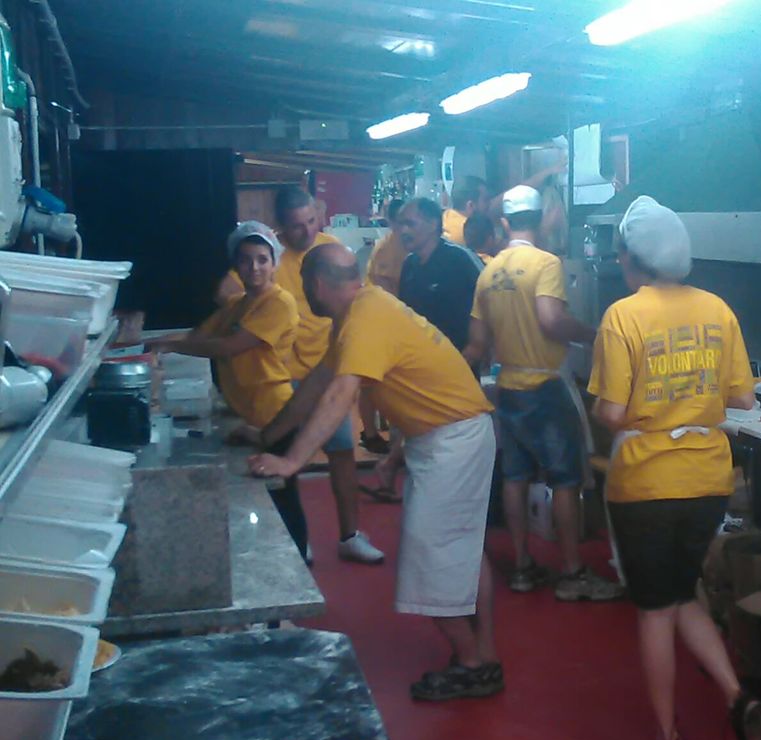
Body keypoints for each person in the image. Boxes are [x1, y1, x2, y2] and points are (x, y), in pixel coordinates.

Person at [248, 243, 503, 702]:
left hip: (453, 440)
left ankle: (472, 664)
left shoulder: (365, 317)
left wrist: (291, 461)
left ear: (317, 284)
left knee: (432, 554)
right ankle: (483, 654)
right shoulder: (359, 313)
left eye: (305, 283)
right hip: (451, 435)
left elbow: (340, 394)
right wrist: (268, 437)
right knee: (462, 550)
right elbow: (318, 385)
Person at [587, 196, 761, 740]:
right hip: (708, 479)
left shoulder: (623, 316)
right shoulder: (717, 309)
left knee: (653, 609)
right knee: (680, 590)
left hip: (646, 483)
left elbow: (610, 412)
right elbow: (743, 397)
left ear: (632, 257)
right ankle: (739, 700)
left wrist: (646, 404)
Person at [464, 185, 622, 600]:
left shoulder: (489, 272)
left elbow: (477, 344)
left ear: (505, 222)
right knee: (565, 480)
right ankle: (572, 573)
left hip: (507, 387)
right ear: (541, 219)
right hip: (546, 388)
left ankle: (521, 567)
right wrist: (593, 334)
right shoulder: (546, 263)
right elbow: (551, 320)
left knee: (515, 477)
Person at [220, 187, 384, 564]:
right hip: (285, 377)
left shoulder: (330, 250)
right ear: (281, 225)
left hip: (329, 371)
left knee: (342, 454)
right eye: (296, 225)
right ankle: (297, 538)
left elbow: (359, 296)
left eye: (311, 221)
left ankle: (350, 535)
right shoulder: (269, 255)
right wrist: (260, 314)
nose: (307, 230)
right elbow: (226, 291)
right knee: (284, 463)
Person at [147, 222, 309, 559]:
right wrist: (145, 345)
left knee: (282, 496)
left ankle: (297, 559)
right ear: (236, 265)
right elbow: (198, 336)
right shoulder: (238, 304)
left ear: (274, 264)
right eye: (246, 260)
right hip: (247, 411)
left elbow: (229, 347)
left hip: (274, 411)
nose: (254, 268)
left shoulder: (279, 303)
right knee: (262, 499)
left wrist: (168, 345)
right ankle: (278, 556)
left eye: (262, 260)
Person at [397, 198, 483, 353]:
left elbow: (488, 299)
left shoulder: (459, 259)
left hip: (460, 359)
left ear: (433, 224)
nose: (403, 231)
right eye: (401, 224)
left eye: (410, 224)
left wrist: (476, 347)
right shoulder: (409, 265)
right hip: (420, 359)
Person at [360, 198, 407, 456]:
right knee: (370, 382)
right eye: (401, 222)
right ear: (391, 221)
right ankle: (369, 433)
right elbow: (387, 291)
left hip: (398, 322)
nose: (405, 227)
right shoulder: (386, 249)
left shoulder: (407, 245)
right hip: (378, 321)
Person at [443, 175, 489, 245]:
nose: (489, 204)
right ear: (470, 205)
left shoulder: (446, 217)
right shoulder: (472, 233)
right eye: (486, 200)